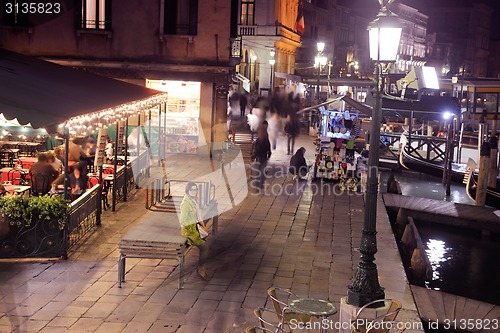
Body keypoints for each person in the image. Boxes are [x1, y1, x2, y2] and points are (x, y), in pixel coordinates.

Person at [179, 182, 209, 280]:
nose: (194, 192)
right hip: (189, 232)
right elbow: (183, 220)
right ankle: (201, 270)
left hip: (194, 230)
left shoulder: (192, 201)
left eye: (195, 190)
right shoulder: (186, 204)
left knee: (205, 244)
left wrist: (202, 226)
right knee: (205, 247)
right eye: (192, 190)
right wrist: (195, 222)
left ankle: (201, 268)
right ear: (187, 191)